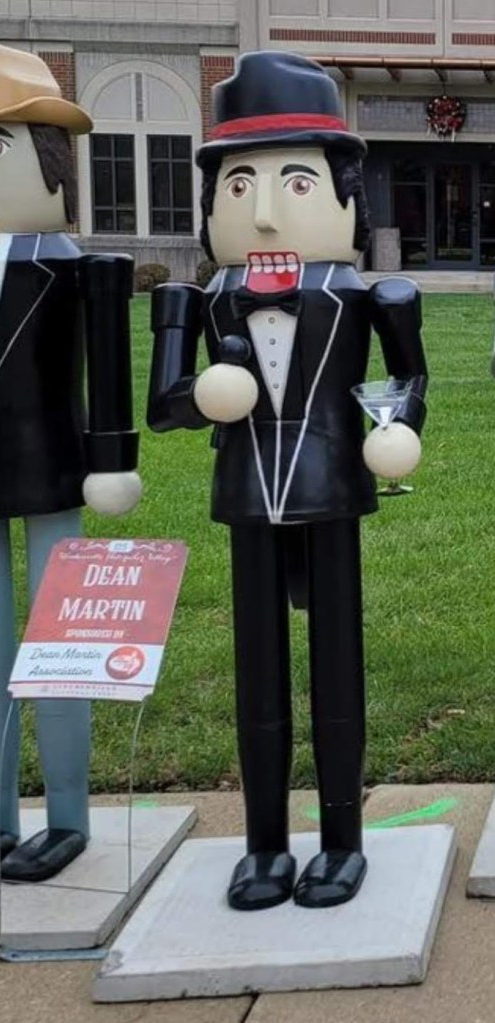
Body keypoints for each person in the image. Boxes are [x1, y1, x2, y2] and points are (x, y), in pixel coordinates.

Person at [147, 51, 427, 910]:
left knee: (337, 664)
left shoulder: (373, 297)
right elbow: (164, 404)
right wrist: (202, 394)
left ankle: (342, 840)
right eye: (240, 186)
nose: (264, 213)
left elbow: (407, 379)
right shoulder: (198, 299)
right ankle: (263, 842)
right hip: (246, 490)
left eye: (294, 183)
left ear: (347, 196)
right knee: (257, 670)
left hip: (332, 482)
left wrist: (399, 427)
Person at [0, 42, 141, 884]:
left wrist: (113, 458)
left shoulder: (76, 270)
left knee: (61, 641)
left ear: (52, 162)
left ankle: (67, 813)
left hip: (56, 467)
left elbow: (108, 372)